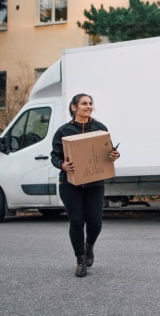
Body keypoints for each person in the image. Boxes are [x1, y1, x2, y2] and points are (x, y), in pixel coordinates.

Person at [51, 93, 120, 277]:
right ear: (74, 107)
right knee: (77, 222)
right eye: (84, 103)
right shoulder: (63, 131)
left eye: (90, 103)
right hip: (69, 184)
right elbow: (55, 156)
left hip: (94, 184)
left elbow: (108, 153)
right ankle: (80, 260)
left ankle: (89, 246)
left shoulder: (100, 129)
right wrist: (62, 165)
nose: (88, 106)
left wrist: (114, 155)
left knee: (95, 223)